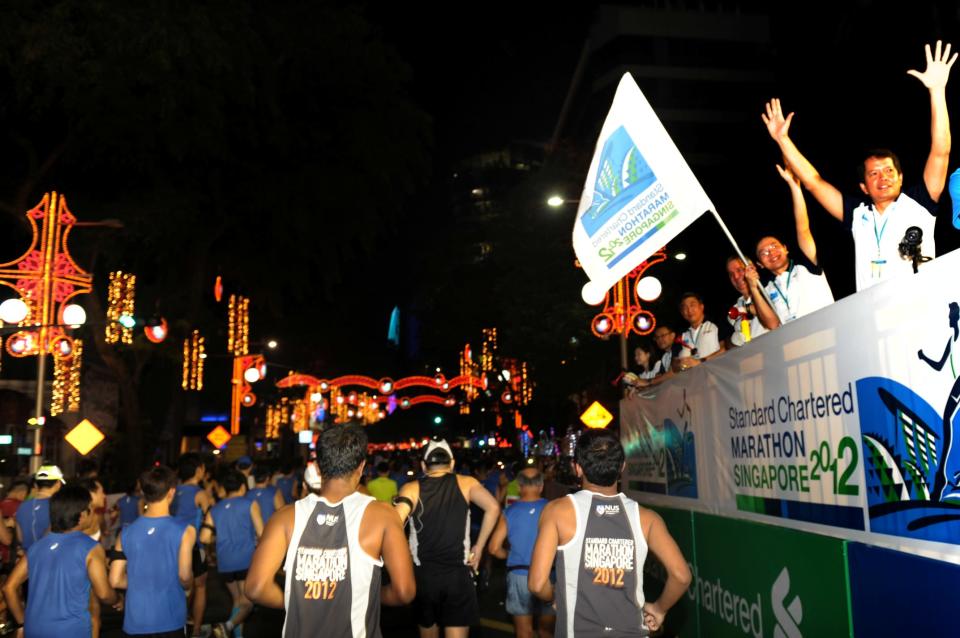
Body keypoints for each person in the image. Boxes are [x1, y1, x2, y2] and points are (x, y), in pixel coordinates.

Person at [762, 41, 957, 291]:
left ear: (900, 177)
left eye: (889, 171)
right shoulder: (857, 213)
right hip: (871, 317)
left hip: (917, 307)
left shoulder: (920, 200)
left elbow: (941, 152)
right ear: (864, 186)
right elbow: (813, 182)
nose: (882, 178)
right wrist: (783, 140)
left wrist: (937, 91)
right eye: (873, 174)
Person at [246, 424, 416, 637]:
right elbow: (404, 591)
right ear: (362, 467)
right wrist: (372, 595)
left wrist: (299, 601)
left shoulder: (284, 517)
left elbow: (255, 588)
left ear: (317, 468)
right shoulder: (383, 515)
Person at [528, 429, 692, 636]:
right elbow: (681, 576)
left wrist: (554, 597)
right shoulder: (647, 519)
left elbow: (536, 583)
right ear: (622, 467)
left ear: (577, 468)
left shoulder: (557, 512)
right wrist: (659, 609)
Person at [394, 438, 501, 638]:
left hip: (423, 577)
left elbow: (395, 523)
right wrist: (478, 547)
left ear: (424, 465)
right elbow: (493, 508)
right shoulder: (466, 483)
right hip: (458, 576)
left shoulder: (411, 488)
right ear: (452, 463)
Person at [3, 484, 120, 637]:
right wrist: (117, 599)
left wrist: (22, 622)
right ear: (82, 515)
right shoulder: (90, 547)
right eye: (90, 509)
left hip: (34, 630)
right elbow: (104, 594)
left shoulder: (36, 547)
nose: (93, 513)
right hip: (70, 630)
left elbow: (9, 588)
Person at [109, 465, 196, 638]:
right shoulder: (186, 530)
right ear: (171, 492)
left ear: (142, 492)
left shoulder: (125, 533)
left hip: (136, 621)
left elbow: (115, 580)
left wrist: (140, 581)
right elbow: (185, 576)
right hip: (170, 618)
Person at [488, 468, 555, 638]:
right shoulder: (553, 509)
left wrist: (511, 555)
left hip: (519, 575)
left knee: (524, 632)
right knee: (546, 630)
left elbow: (494, 548)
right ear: (541, 486)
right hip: (548, 575)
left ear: (519, 486)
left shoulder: (509, 512)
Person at [200, 470, 264, 638]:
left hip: (225, 563)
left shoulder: (215, 509)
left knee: (237, 600)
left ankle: (237, 635)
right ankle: (227, 626)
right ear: (243, 487)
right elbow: (261, 533)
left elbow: (204, 537)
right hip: (246, 560)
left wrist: (216, 547)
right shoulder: (250, 504)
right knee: (248, 602)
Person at [172, 453, 215, 638]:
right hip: (193, 547)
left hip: (172, 547)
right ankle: (196, 631)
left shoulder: (171, 491)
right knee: (200, 587)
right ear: (199, 471)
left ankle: (176, 625)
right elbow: (210, 518)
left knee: (177, 587)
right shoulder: (200, 493)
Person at [725, 257, 779, 347]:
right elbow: (727, 344)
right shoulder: (736, 306)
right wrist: (733, 342)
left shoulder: (771, 291)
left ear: (751, 269)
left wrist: (745, 309)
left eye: (739, 270)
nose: (736, 277)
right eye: (731, 274)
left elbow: (775, 324)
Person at [15, 465, 64, 552]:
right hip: (50, 557)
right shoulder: (59, 506)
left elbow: (20, 538)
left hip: (27, 559)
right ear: (58, 484)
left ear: (36, 485)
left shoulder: (22, 506)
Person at [673, 293, 724, 371]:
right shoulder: (681, 335)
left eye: (692, 305)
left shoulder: (716, 323)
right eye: (685, 308)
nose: (689, 310)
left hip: (718, 373)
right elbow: (674, 364)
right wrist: (681, 364)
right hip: (696, 380)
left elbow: (726, 348)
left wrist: (701, 361)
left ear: (701, 307)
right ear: (682, 313)